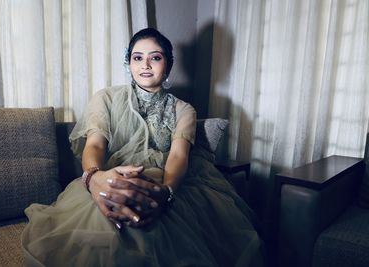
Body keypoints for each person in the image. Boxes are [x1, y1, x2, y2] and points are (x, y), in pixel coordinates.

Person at [21, 28, 263, 267]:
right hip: (113, 177)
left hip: (170, 182)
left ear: (168, 65)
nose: (145, 64)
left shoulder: (183, 109)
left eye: (155, 57)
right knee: (112, 217)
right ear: (129, 63)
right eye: (138, 58)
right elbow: (94, 145)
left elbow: (179, 155)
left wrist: (166, 192)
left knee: (157, 225)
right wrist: (94, 178)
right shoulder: (106, 98)